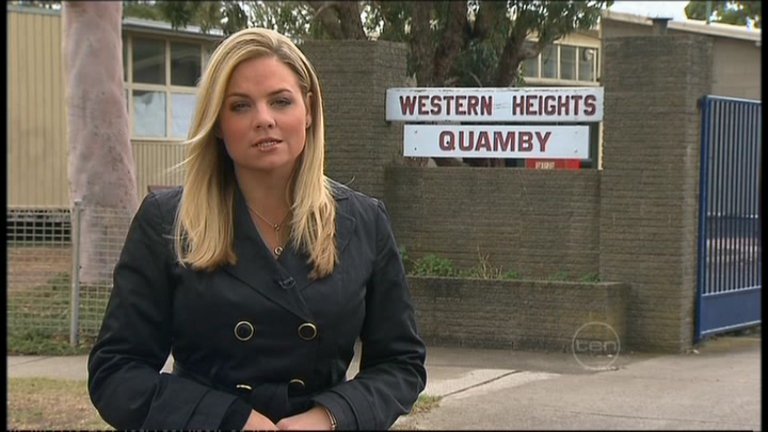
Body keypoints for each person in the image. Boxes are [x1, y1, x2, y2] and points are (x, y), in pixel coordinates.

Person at [88, 27, 427, 430]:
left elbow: (400, 365)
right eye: (240, 106)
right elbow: (117, 373)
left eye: (280, 101)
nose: (264, 119)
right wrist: (228, 419)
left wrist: (330, 416)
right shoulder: (167, 222)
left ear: (308, 110)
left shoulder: (364, 222)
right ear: (217, 122)